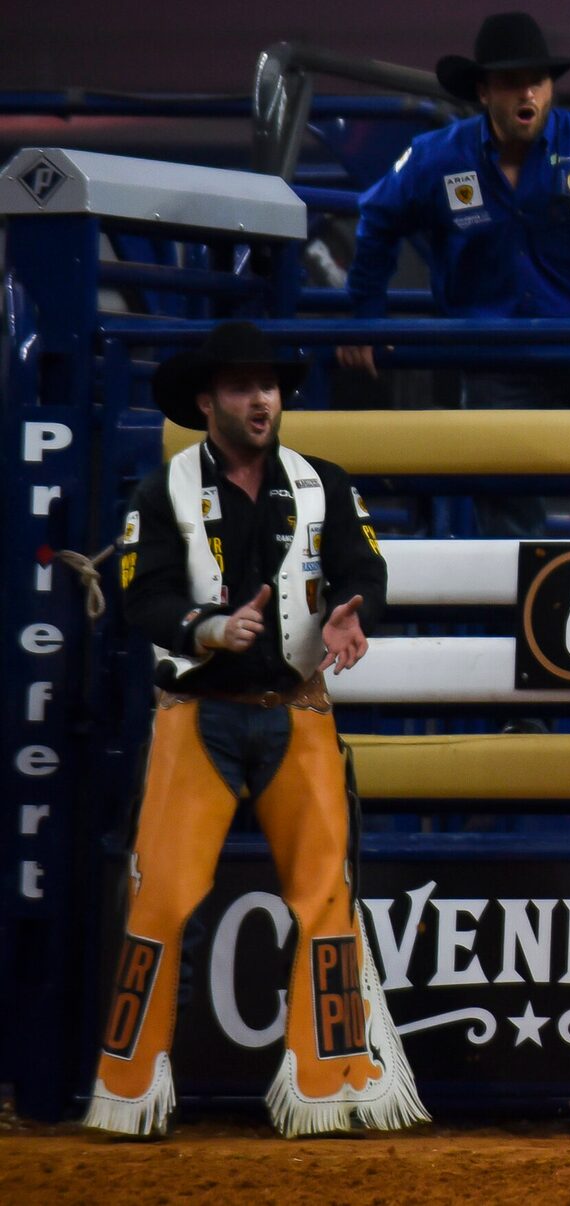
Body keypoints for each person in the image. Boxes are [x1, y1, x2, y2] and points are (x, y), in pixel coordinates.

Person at [87, 322, 422, 1140]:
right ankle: (129, 1088)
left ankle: (331, 1079)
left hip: (292, 707)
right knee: (161, 894)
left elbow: (365, 568)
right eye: (240, 387)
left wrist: (354, 610)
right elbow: (145, 600)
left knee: (324, 896)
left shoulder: (324, 485)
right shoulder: (161, 491)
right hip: (197, 713)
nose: (260, 398)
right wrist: (207, 628)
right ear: (207, 402)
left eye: (267, 385)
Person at [342, 11, 570, 535]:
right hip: (493, 359)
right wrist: (366, 315)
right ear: (484, 92)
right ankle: (529, 610)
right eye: (511, 83)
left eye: (538, 81)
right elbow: (377, 221)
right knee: (505, 509)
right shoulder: (437, 156)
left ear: (551, 87)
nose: (526, 94)